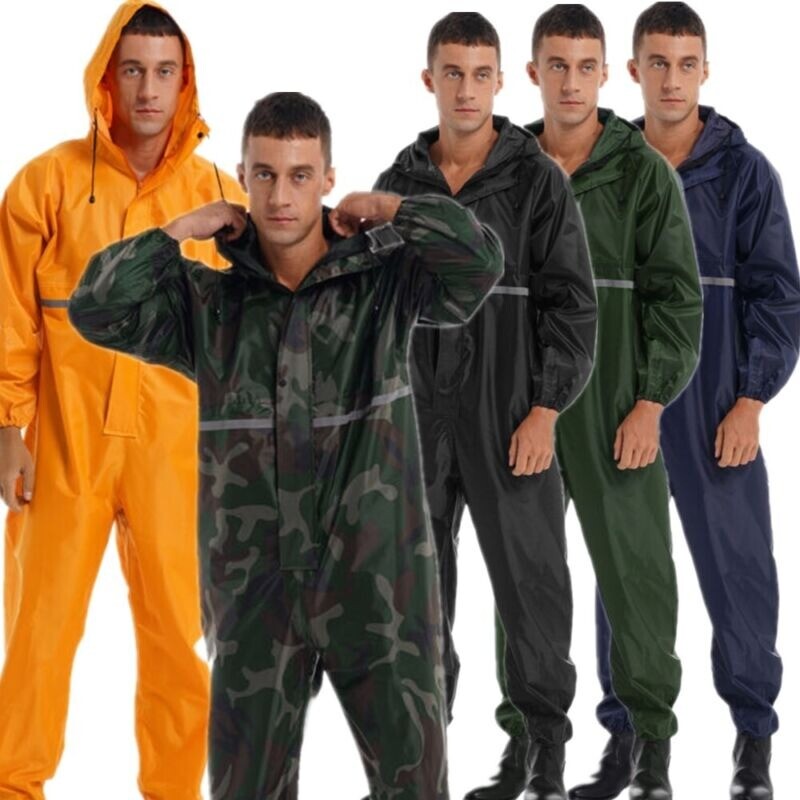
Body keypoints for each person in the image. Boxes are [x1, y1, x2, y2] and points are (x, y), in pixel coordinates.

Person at [68, 91, 503, 800]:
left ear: (328, 178)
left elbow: (479, 264)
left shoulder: (383, 285)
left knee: (417, 787)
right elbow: (94, 308)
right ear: (242, 176)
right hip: (253, 595)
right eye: (264, 174)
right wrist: (177, 231)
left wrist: (393, 209)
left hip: (379, 587)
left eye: (300, 175)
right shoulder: (209, 306)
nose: (280, 196)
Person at [0, 3, 244, 798]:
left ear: (185, 81)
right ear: (107, 77)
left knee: (180, 636)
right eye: (133, 69)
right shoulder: (47, 182)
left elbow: (250, 331)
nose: (147, 89)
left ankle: (172, 791)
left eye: (164, 71)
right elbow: (10, 313)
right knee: (39, 632)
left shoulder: (218, 194)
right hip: (64, 445)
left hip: (177, 452)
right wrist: (7, 427)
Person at [482, 6, 703, 800]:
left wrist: (651, 401)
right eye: (557, 65)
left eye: (585, 67)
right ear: (533, 73)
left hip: (614, 410)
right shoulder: (504, 171)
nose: (571, 83)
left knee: (638, 577)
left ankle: (652, 750)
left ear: (606, 74)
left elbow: (677, 297)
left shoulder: (642, 173)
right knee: (525, 585)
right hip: (523, 410)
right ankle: (530, 746)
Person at [375, 12, 597, 800]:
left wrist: (547, 410)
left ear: (501, 82)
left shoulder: (537, 180)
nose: (466, 90)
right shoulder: (400, 183)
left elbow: (573, 304)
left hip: (510, 416)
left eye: (479, 75)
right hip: (416, 421)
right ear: (428, 80)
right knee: (415, 595)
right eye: (452, 73)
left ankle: (544, 756)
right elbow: (373, 311)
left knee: (532, 586)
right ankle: (420, 761)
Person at [580, 4, 800, 799]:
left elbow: (778, 294)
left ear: (706, 70)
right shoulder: (604, 165)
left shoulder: (744, 174)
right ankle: (631, 744)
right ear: (633, 70)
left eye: (686, 63)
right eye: (658, 62)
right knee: (625, 575)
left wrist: (752, 399)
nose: (672, 79)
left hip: (713, 405)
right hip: (622, 398)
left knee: (740, 571)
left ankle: (753, 741)